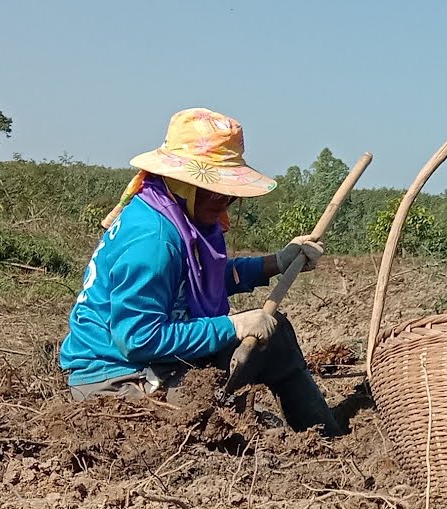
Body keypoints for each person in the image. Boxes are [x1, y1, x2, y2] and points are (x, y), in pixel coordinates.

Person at [59, 108, 345, 436]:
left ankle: (323, 437)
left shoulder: (174, 215)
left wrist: (277, 262)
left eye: (229, 194)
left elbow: (196, 280)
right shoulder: (154, 240)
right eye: (215, 190)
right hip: (117, 381)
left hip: (148, 361)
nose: (225, 200)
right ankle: (293, 437)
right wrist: (232, 325)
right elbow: (139, 339)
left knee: (273, 334)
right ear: (181, 183)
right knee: (232, 410)